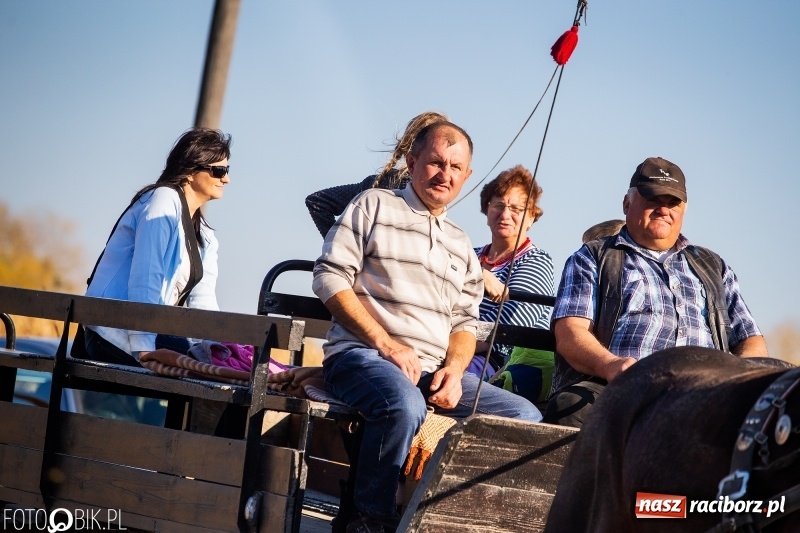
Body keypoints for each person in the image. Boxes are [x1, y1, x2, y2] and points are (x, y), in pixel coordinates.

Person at [313, 121, 542, 533]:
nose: (445, 174)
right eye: (435, 162)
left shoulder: (460, 243)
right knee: (404, 404)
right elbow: (329, 278)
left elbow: (464, 322)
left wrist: (455, 370)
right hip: (362, 356)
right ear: (412, 161)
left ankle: (461, 522)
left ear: (467, 176)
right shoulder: (374, 206)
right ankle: (370, 519)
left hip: (433, 370)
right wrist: (386, 344)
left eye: (456, 167)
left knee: (523, 415)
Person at [544, 156, 767, 428]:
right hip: (623, 389)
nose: (664, 209)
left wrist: (740, 381)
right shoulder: (593, 257)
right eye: (652, 199)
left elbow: (751, 340)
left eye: (673, 202)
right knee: (570, 408)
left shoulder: (714, 267)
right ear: (627, 204)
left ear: (684, 210)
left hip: (708, 393)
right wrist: (611, 365)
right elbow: (570, 333)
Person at [76, 127, 232, 367]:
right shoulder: (163, 201)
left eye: (227, 170)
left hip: (150, 333)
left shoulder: (206, 236)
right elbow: (146, 277)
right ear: (190, 171)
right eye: (218, 170)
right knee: (201, 369)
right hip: (114, 333)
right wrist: (144, 348)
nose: (226, 178)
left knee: (226, 370)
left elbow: (204, 302)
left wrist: (220, 351)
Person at [467, 164, 554, 378]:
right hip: (448, 347)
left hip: (495, 364)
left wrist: (449, 339)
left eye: (516, 209)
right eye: (498, 205)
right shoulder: (468, 255)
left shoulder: (536, 262)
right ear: (486, 210)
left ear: (532, 217)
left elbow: (505, 328)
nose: (505, 214)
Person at [305, 111, 447, 237]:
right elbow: (318, 202)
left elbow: (318, 201)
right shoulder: (416, 188)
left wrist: (342, 248)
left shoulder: (377, 182)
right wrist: (341, 247)